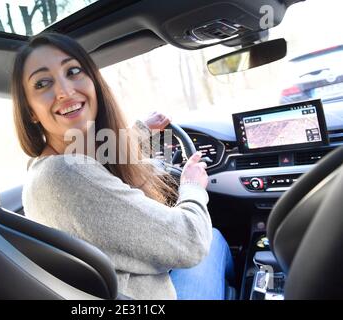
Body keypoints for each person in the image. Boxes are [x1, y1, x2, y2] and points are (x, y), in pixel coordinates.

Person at [12, 32, 234, 300]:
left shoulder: (44, 169)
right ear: (31, 112)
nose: (64, 91)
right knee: (214, 237)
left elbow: (96, 157)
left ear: (93, 83)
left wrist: (140, 130)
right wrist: (192, 187)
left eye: (72, 71)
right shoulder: (66, 175)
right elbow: (191, 241)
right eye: (43, 83)